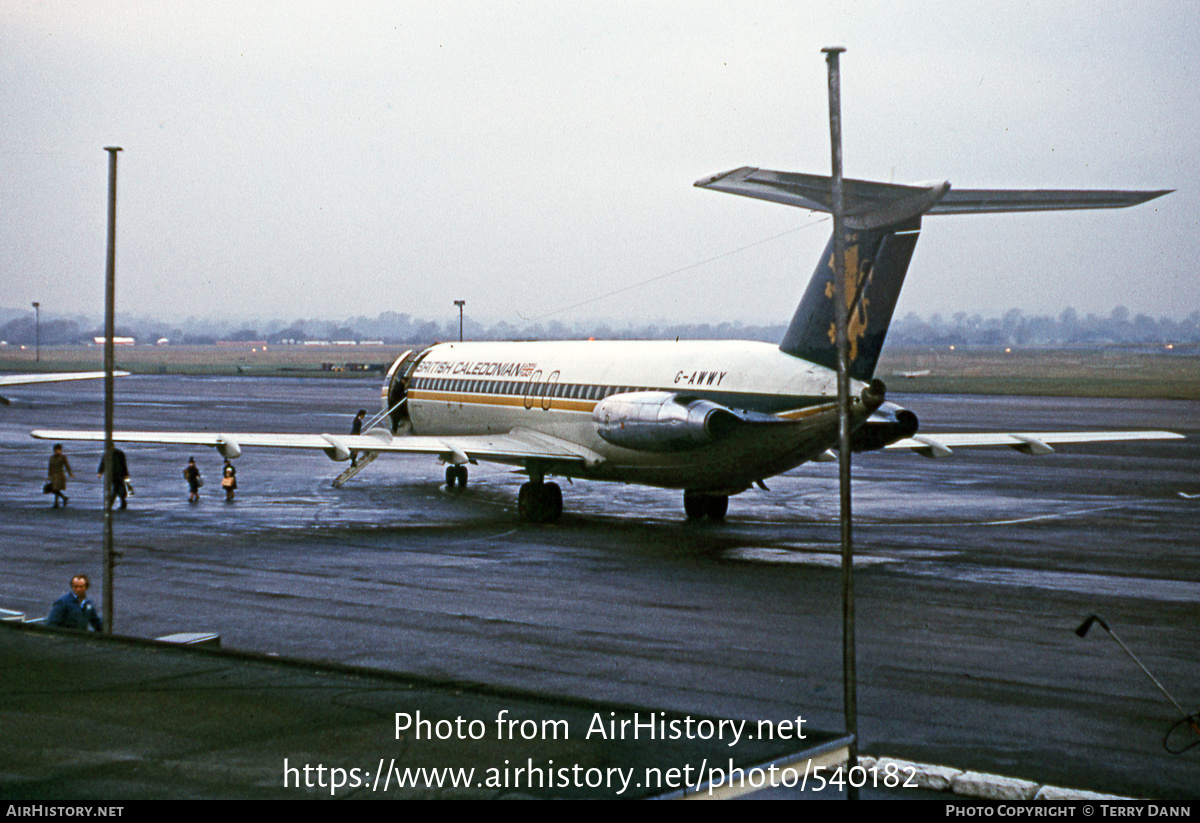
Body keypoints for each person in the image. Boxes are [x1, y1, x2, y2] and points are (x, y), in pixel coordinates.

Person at [47, 443, 74, 508]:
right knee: (54, 489)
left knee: (56, 489)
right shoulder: (51, 458)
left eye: (59, 450)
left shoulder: (63, 457)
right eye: (56, 450)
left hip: (60, 475)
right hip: (53, 475)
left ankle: (56, 503)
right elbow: (50, 467)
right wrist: (49, 475)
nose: (58, 451)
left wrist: (70, 473)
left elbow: (67, 465)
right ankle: (63, 498)